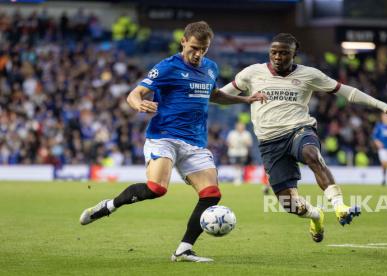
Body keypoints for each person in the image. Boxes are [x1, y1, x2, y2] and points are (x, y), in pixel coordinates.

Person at [79, 21, 266, 263]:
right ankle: (109, 206)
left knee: (211, 194)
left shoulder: (211, 68)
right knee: (157, 189)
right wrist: (139, 104)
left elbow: (214, 95)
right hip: (164, 136)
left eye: (204, 49)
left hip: (195, 142)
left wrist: (246, 99)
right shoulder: (167, 67)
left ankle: (184, 249)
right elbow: (134, 94)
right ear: (184, 41)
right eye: (195, 48)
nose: (198, 54)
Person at [221, 33, 387, 243]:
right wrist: (243, 98)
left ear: (294, 54)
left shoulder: (309, 75)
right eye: (274, 52)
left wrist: (384, 106)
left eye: (284, 53)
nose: (278, 57)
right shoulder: (252, 73)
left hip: (299, 130)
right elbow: (219, 96)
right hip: (270, 142)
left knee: (311, 154)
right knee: (290, 205)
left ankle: (339, 206)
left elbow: (347, 92)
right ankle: (316, 216)